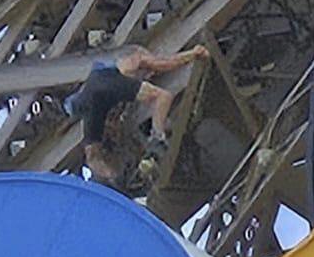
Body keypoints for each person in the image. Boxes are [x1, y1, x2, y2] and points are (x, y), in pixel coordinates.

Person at [62, 43, 210, 186]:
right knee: (163, 96)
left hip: (96, 99)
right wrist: (193, 53)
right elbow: (163, 64)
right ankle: (157, 137)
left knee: (94, 151)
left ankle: (115, 176)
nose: (149, 74)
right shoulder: (134, 57)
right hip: (110, 85)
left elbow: (92, 157)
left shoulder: (92, 103)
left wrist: (112, 175)